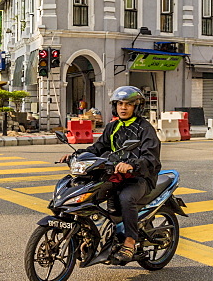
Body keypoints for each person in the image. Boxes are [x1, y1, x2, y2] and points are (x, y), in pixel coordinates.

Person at [62, 86, 161, 262]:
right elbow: (98, 148)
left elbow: (150, 157)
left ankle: (130, 240)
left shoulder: (145, 129)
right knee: (90, 193)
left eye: (128, 104)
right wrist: (76, 156)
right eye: (120, 104)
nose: (123, 108)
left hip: (139, 178)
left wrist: (131, 165)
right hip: (114, 175)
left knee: (125, 198)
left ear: (136, 107)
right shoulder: (113, 127)